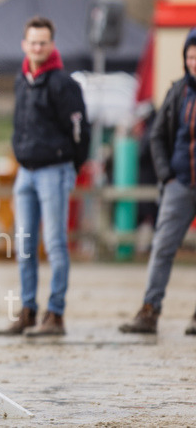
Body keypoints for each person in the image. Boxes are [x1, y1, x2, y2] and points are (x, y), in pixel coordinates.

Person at [0, 16, 90, 337]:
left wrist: (70, 167)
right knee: (24, 245)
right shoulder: (22, 80)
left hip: (54, 171)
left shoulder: (64, 84)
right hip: (26, 173)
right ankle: (28, 311)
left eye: (43, 42)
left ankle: (56, 314)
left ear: (51, 45)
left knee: (54, 244)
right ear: (25, 45)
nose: (37, 47)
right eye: (32, 42)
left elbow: (81, 132)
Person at [119, 28, 196, 335]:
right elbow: (157, 136)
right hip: (180, 182)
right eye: (190, 56)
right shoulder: (178, 92)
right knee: (163, 247)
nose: (194, 62)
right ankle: (150, 309)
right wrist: (166, 174)